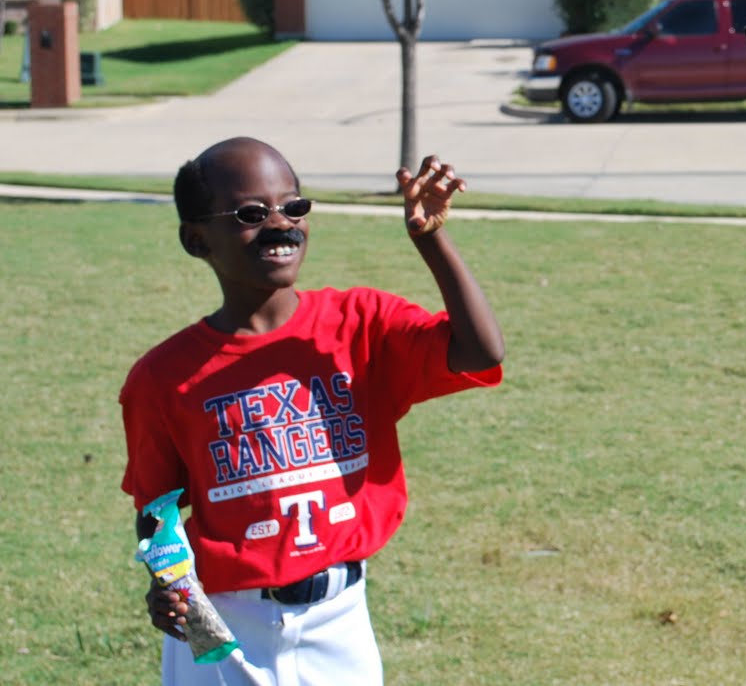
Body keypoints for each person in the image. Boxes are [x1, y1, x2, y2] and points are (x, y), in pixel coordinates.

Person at [119, 138, 505, 685]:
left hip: (339, 617)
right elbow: (157, 509)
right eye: (251, 214)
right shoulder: (162, 376)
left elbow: (480, 352)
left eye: (294, 206)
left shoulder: (360, 323)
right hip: (225, 626)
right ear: (197, 238)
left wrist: (432, 239)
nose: (280, 224)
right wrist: (166, 586)